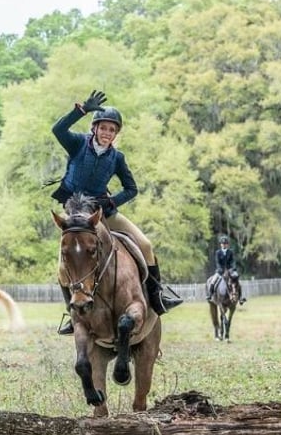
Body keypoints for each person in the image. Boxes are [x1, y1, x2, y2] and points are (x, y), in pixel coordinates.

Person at [50, 89, 182, 335]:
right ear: (95, 128)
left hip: (103, 213)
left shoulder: (117, 158)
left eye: (112, 130)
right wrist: (81, 110)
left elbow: (132, 189)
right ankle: (73, 314)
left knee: (145, 244)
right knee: (62, 266)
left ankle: (157, 295)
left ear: (116, 133)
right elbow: (57, 130)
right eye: (104, 128)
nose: (107, 133)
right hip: (76, 216)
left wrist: (113, 203)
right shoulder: (78, 144)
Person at [206, 236, 242, 301]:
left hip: (230, 270)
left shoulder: (230, 252)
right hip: (220, 270)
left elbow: (233, 261)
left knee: (237, 280)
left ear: (227, 244)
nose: (224, 245)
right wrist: (220, 269)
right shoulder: (218, 252)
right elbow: (217, 262)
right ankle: (210, 295)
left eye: (225, 244)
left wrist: (233, 268)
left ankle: (240, 297)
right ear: (221, 244)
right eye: (222, 244)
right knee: (213, 281)